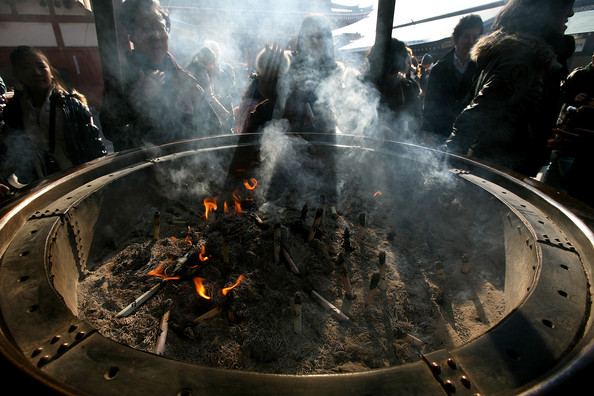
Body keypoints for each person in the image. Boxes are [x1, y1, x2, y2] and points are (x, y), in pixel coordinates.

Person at [445, 0, 576, 176]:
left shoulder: (523, 52)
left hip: (501, 164)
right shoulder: (524, 57)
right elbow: (479, 112)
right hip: (498, 167)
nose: (571, 13)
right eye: (566, 5)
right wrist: (445, 160)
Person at [0, 46, 106, 198]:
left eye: (41, 66)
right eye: (27, 68)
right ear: (18, 74)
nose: (36, 73)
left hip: (78, 180)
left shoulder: (72, 105)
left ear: (50, 70)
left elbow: (94, 146)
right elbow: (8, 151)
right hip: (38, 187)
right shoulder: (14, 111)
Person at [99, 0, 204, 151]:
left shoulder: (179, 73)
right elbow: (113, 132)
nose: (156, 35)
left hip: (184, 166)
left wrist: (197, 105)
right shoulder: (120, 79)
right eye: (146, 29)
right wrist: (141, 101)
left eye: (161, 28)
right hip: (143, 169)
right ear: (132, 35)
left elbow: (203, 130)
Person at [422, 14, 483, 143]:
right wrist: (428, 132)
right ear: (455, 39)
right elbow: (430, 104)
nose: (471, 41)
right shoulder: (439, 69)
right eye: (466, 36)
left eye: (476, 37)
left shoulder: (481, 68)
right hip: (440, 133)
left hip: (466, 135)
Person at [364, 38, 422, 140]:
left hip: (398, 146)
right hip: (364, 145)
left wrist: (405, 128)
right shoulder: (361, 84)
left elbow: (417, 119)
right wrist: (376, 127)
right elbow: (351, 117)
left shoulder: (407, 87)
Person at [186, 46, 232, 135]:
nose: (212, 66)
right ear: (208, 60)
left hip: (189, 110)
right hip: (201, 113)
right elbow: (209, 96)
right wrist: (223, 112)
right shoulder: (202, 71)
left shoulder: (191, 66)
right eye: (212, 63)